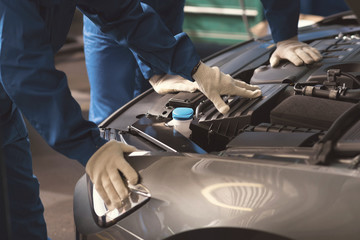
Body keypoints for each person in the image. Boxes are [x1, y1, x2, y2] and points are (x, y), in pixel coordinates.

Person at [0, 0, 261, 239]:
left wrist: (195, 68)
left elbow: (123, 12)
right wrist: (88, 147)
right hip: (10, 82)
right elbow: (23, 70)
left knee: (20, 212)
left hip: (5, 109)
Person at [83, 0, 322, 125]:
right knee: (112, 115)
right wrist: (158, 69)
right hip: (110, 15)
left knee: (163, 110)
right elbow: (122, 13)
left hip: (164, 9)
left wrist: (286, 37)